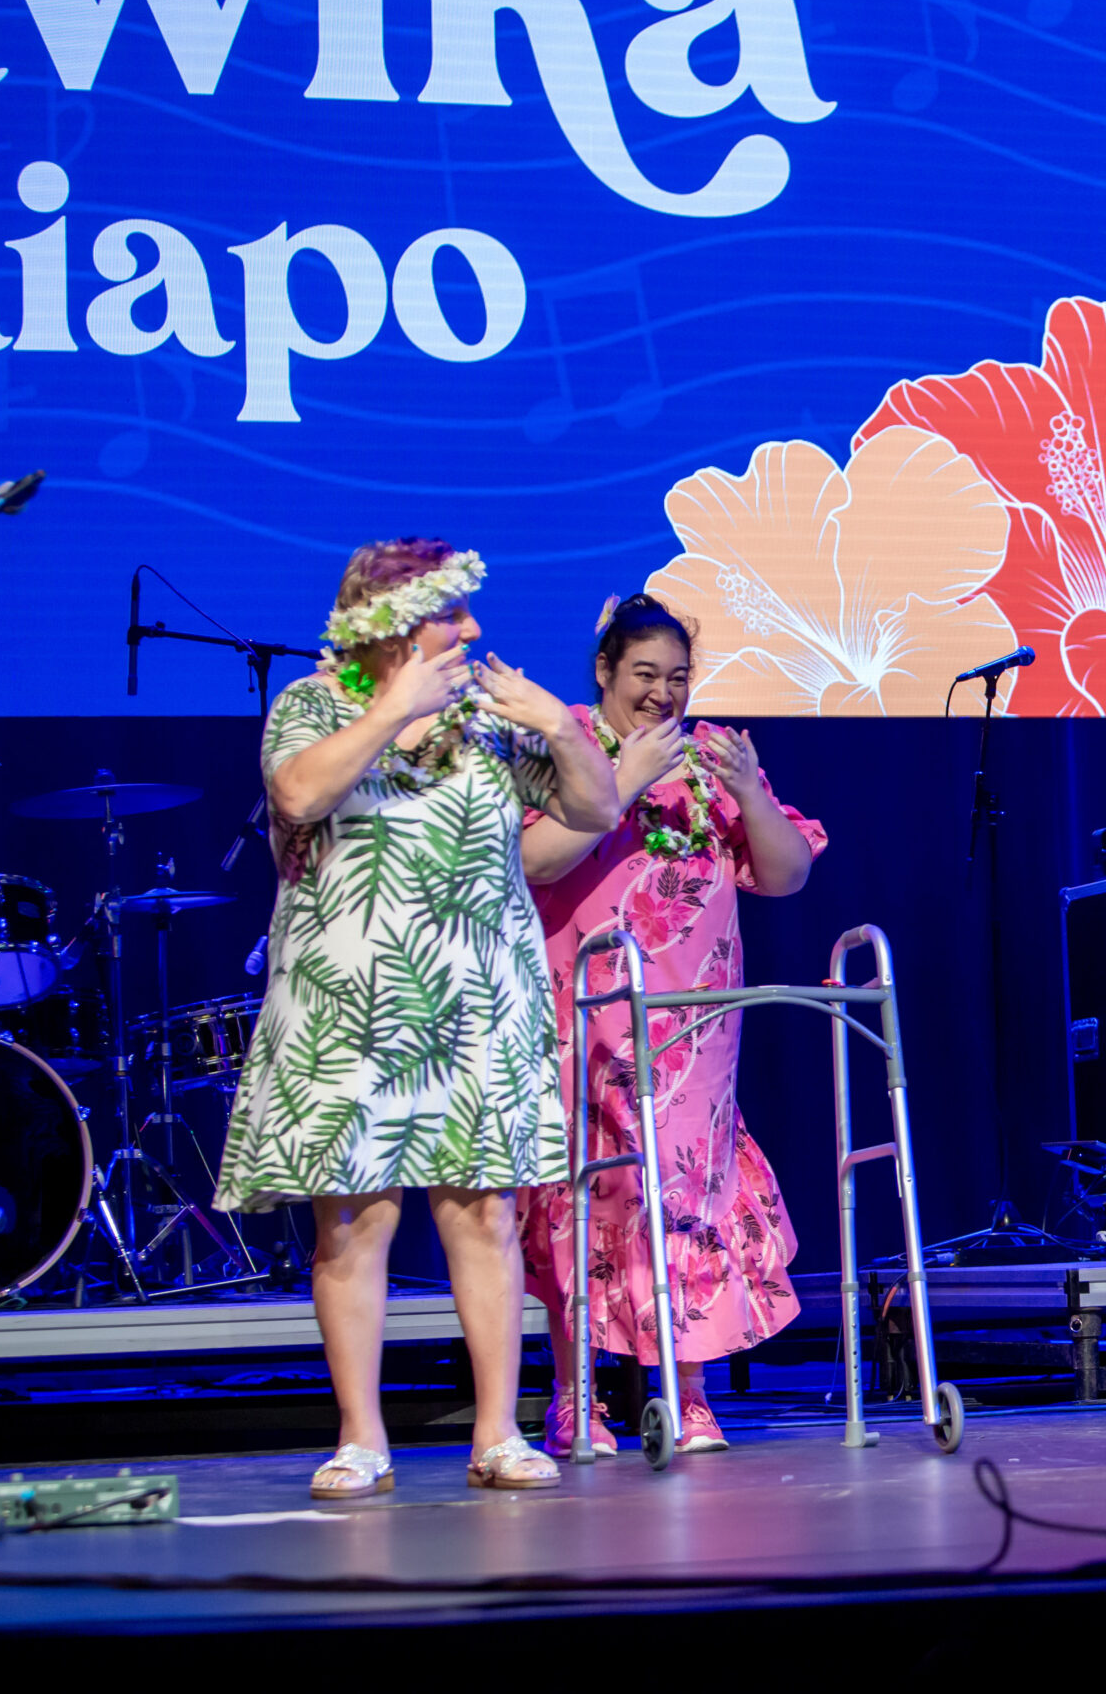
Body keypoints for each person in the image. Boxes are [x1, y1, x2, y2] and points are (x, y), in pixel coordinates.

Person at [213, 537, 620, 1497]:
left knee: (485, 1212)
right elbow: (297, 792)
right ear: (393, 623)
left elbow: (598, 809)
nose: (472, 629)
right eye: (451, 613)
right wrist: (393, 708)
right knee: (354, 1221)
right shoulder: (313, 704)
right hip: (348, 1005)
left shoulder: (486, 720)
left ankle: (497, 1432)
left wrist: (559, 727)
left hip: (477, 1000)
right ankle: (361, 1437)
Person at [519, 595, 826, 1457]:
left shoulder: (708, 756)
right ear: (604, 671)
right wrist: (621, 780)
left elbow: (785, 873)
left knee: (686, 1191)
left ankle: (687, 1393)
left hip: (693, 1024)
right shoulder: (565, 744)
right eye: (645, 674)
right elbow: (531, 860)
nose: (663, 693)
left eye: (678, 677)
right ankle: (575, 1393)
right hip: (585, 1009)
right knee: (583, 1192)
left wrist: (748, 792)